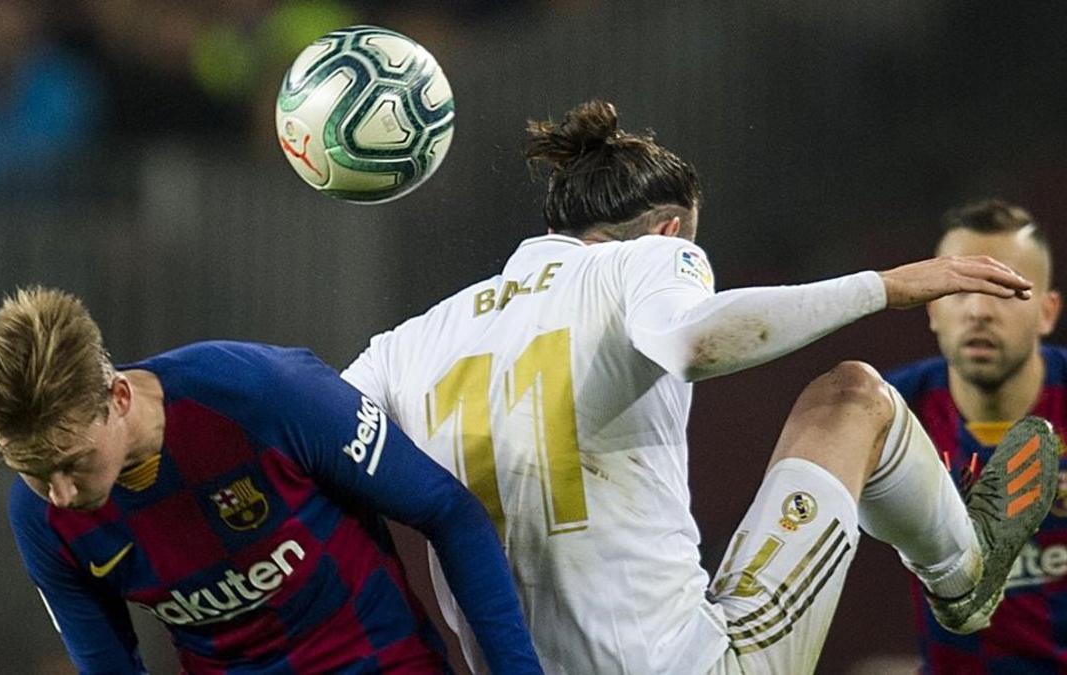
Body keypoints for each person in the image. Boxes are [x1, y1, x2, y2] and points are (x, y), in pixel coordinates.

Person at [341, 100, 1060, 674]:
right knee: (851, 398)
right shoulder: (650, 261)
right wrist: (885, 286)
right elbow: (693, 342)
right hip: (696, 663)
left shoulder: (409, 343)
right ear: (671, 228)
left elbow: (307, 450)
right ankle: (963, 570)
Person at [0, 287, 542, 675]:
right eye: (29, 471)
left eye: (71, 462)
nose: (61, 494)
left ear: (119, 397)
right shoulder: (43, 520)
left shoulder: (262, 394)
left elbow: (448, 511)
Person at [887, 199, 1067, 672]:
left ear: (1048, 313)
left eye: (1004, 290)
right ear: (931, 309)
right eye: (960, 289)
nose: (979, 311)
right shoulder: (888, 412)